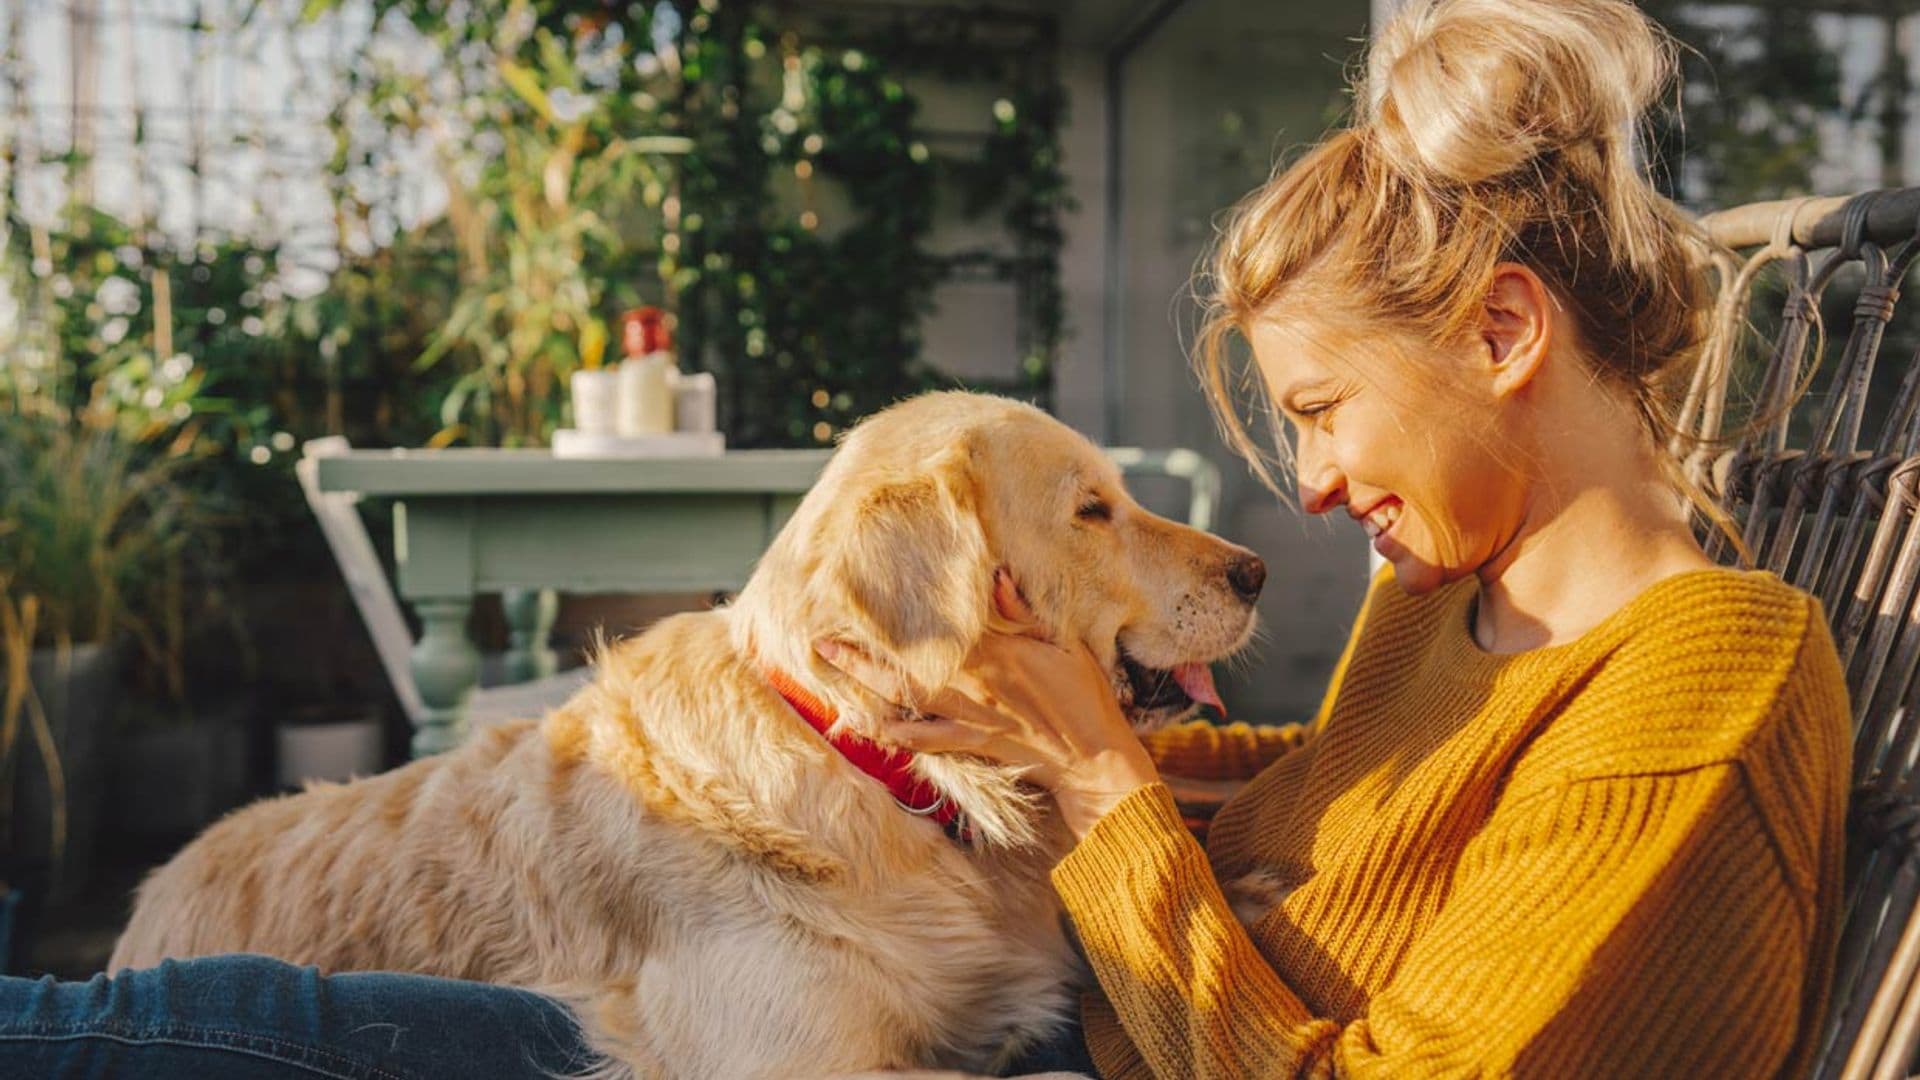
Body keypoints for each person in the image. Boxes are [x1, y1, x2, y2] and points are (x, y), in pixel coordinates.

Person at [814, 0, 1852, 1076]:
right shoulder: (1443, 595)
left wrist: (1097, 775)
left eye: (1320, 410)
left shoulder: (1696, 688)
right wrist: (1027, 734)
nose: (1310, 487)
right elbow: (1344, 791)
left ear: (1503, 333)